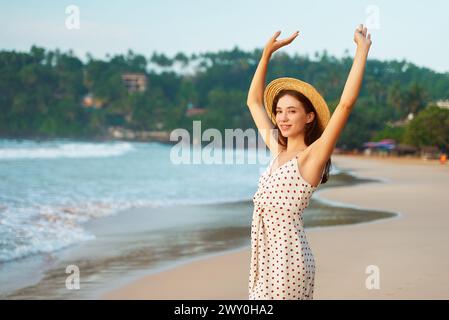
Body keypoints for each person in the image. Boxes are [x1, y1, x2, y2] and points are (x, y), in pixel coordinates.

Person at [246, 24, 372, 300]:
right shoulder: (277, 150)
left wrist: (362, 51)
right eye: (279, 112)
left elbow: (346, 105)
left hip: (288, 264)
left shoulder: (311, 157)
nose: (283, 118)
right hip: (264, 264)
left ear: (309, 117)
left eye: (292, 111)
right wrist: (266, 54)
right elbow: (254, 102)